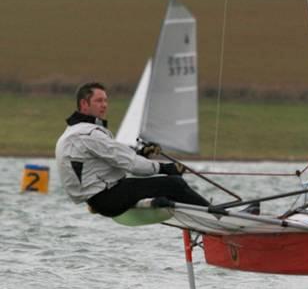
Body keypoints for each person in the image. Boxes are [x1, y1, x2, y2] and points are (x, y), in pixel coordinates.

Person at [55, 82, 209, 217]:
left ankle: (186, 210)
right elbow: (131, 165)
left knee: (165, 188)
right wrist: (166, 168)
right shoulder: (88, 134)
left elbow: (112, 159)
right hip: (107, 199)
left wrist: (141, 153)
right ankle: (215, 217)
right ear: (84, 104)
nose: (104, 105)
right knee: (175, 184)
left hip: (98, 199)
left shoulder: (73, 132)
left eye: (106, 100)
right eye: (99, 101)